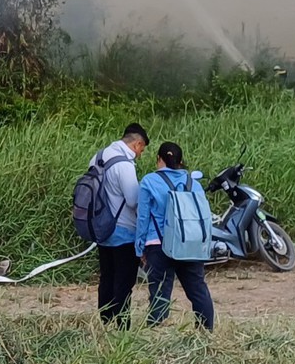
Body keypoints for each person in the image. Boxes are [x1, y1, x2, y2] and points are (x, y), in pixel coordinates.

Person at [136, 141, 215, 331]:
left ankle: (157, 332)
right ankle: (206, 331)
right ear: (181, 162)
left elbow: (143, 217)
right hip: (190, 244)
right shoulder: (193, 183)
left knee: (160, 292)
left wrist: (139, 248)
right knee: (197, 289)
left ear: (159, 159)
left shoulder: (149, 181)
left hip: (159, 244)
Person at [90, 122, 149, 326]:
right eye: (142, 149)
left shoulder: (98, 157)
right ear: (137, 144)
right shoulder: (124, 164)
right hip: (123, 232)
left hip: (101, 229)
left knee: (106, 277)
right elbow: (133, 200)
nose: (140, 154)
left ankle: (105, 321)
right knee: (123, 282)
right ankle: (122, 325)